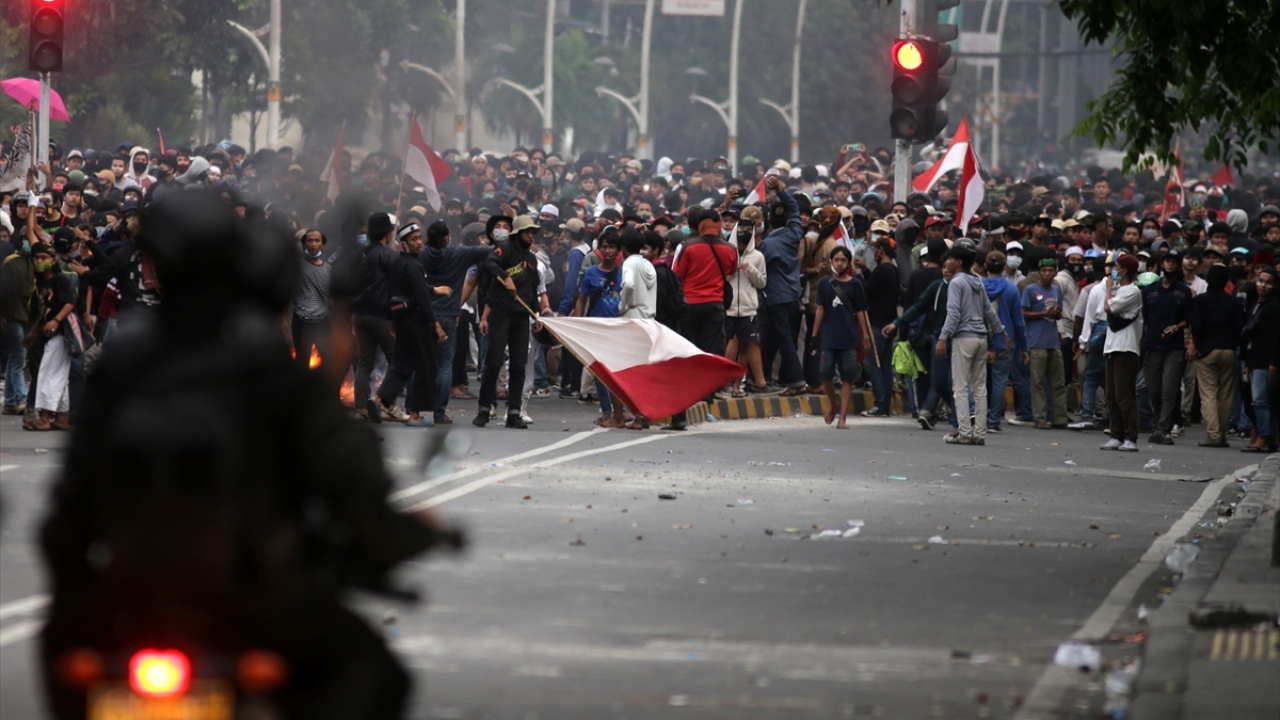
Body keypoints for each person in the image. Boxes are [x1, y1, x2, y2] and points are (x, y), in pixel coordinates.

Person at [38, 193, 456, 720]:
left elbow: (66, 512)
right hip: (248, 605)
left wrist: (78, 580)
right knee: (373, 673)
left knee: (64, 643)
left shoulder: (124, 365)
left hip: (123, 603)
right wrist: (400, 535)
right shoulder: (271, 373)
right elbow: (356, 495)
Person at [367, 223, 443, 427]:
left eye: (419, 237)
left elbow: (391, 294)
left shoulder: (399, 264)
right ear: (403, 244)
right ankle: (416, 415)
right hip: (417, 323)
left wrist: (392, 321)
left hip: (402, 322)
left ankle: (379, 399)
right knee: (425, 366)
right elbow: (422, 298)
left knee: (402, 365)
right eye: (414, 239)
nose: (419, 242)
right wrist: (435, 325)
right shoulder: (413, 266)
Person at [421, 220, 492, 424]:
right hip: (448, 315)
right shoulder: (457, 254)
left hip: (425, 314)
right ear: (446, 238)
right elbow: (489, 249)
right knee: (445, 366)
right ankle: (439, 412)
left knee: (423, 362)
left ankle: (414, 408)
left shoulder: (422, 255)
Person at [936, 245, 1008, 446]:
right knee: (979, 388)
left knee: (960, 386)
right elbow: (988, 311)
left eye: (950, 258)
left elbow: (954, 314)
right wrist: (1002, 333)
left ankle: (965, 432)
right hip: (981, 338)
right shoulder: (977, 280)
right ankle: (980, 433)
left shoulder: (956, 282)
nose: (947, 262)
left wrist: (943, 337)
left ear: (958, 262)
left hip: (963, 338)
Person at [474, 214, 541, 429]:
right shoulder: (504, 249)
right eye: (527, 232)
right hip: (501, 314)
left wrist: (537, 314)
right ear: (517, 233)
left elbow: (532, 290)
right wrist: (505, 276)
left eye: (533, 232)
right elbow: (489, 263)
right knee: (493, 362)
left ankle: (513, 413)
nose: (531, 236)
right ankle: (484, 409)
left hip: (522, 316)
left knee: (519, 364)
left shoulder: (532, 259)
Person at [810, 246, 870, 429]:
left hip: (848, 336)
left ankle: (842, 417)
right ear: (831, 262)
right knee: (825, 373)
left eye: (843, 260)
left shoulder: (855, 284)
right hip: (828, 336)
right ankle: (833, 403)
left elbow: (861, 311)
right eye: (836, 259)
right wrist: (814, 334)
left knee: (847, 376)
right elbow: (820, 309)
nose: (839, 263)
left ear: (849, 262)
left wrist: (865, 335)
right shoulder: (824, 283)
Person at [350, 212, 400, 420]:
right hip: (381, 316)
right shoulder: (388, 255)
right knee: (396, 361)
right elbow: (399, 286)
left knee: (364, 363)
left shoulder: (358, 254)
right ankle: (387, 405)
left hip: (359, 315)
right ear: (388, 233)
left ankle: (361, 407)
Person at [758, 175, 806, 393]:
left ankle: (797, 381)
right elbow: (795, 208)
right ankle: (759, 376)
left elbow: (761, 271)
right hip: (793, 294)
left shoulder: (767, 245)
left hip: (776, 297)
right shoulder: (795, 233)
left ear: (769, 221)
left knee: (783, 338)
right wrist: (781, 190)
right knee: (773, 339)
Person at [1140, 249, 1193, 445]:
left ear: (1178, 266)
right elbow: (1145, 318)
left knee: (1170, 388)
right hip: (1153, 344)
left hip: (1174, 346)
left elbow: (1188, 318)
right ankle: (1159, 421)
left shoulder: (1184, 291)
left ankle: (1163, 427)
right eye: (1167, 261)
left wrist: (1177, 327)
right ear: (1162, 264)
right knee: (1153, 388)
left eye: (1173, 262)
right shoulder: (1150, 291)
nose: (1169, 265)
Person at [574, 228, 626, 427]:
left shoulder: (623, 274)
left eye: (612, 247)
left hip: (617, 328)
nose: (608, 251)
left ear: (618, 251)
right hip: (595, 327)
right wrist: (579, 324)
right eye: (604, 247)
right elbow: (581, 299)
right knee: (599, 373)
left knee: (616, 372)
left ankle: (619, 412)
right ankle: (607, 411)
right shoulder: (590, 273)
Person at [1190, 264, 1244, 447]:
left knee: (1208, 394)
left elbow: (1195, 327)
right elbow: (1239, 328)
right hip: (1229, 349)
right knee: (1226, 394)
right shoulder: (1234, 302)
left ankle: (1213, 434)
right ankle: (1222, 432)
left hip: (1206, 350)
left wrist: (1194, 346)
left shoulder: (1201, 301)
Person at [981, 250, 1028, 433]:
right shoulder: (1011, 289)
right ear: (1004, 267)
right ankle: (994, 420)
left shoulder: (979, 286)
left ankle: (977, 416)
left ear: (985, 266)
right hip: (1004, 342)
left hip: (981, 340)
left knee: (979, 382)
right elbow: (1018, 320)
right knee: (1000, 382)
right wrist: (1023, 347)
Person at [1101, 254, 1144, 451]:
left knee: (1124, 394)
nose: (1113, 270)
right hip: (1112, 346)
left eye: (1116, 266)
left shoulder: (1132, 292)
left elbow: (1108, 308)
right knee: (1111, 394)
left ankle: (1130, 436)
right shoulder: (1120, 291)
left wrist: (1109, 288)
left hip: (1126, 347)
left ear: (1124, 270)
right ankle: (1115, 433)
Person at [1022, 258, 1069, 428]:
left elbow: (1059, 314)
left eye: (1050, 271)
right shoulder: (1030, 290)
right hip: (1036, 342)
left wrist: (1056, 314)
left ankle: (1060, 417)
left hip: (1053, 341)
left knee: (1058, 382)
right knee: (1038, 382)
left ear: (1055, 272)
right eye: (1044, 271)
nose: (1047, 274)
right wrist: (1044, 314)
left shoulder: (1056, 290)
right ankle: (1040, 417)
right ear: (1039, 272)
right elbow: (1024, 313)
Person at [725, 213, 768, 397]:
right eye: (741, 228)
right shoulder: (727, 252)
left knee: (746, 346)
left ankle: (737, 386)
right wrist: (731, 270)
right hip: (729, 306)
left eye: (748, 229)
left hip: (748, 308)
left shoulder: (757, 256)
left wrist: (750, 269)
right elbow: (722, 278)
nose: (744, 232)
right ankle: (723, 382)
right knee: (730, 343)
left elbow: (762, 283)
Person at [1240, 266, 1279, 453]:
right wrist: (1247, 362)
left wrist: (1274, 361)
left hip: (1265, 359)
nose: (1263, 285)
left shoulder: (1274, 306)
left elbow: (1276, 337)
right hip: (1253, 358)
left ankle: (1264, 438)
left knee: (1261, 400)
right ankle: (1262, 436)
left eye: (1268, 282)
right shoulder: (1256, 304)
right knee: (1254, 399)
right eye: (1260, 281)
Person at [861, 237, 901, 417]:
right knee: (884, 366)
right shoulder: (893, 270)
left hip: (877, 324)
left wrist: (857, 275)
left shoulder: (882, 271)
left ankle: (881, 403)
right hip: (889, 324)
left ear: (880, 251)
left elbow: (866, 292)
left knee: (872, 364)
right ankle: (885, 405)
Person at [292, 229, 332, 370]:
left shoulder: (328, 269)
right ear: (304, 244)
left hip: (323, 322)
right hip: (301, 322)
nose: (313, 244)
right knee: (302, 363)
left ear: (323, 244)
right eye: (310, 240)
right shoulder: (296, 267)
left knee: (327, 362)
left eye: (317, 240)